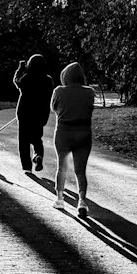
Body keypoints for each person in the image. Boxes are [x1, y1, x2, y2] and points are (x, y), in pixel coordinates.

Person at [50, 61, 95, 216]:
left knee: (62, 166)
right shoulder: (89, 92)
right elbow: (89, 109)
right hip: (83, 133)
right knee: (80, 171)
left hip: (64, 132)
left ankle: (60, 199)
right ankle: (82, 201)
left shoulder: (59, 91)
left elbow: (54, 108)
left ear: (65, 76)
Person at [13, 53, 53, 172]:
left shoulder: (26, 78)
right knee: (36, 138)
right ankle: (37, 155)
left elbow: (17, 81)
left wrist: (20, 69)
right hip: (40, 114)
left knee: (23, 141)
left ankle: (27, 167)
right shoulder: (48, 80)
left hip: (24, 113)